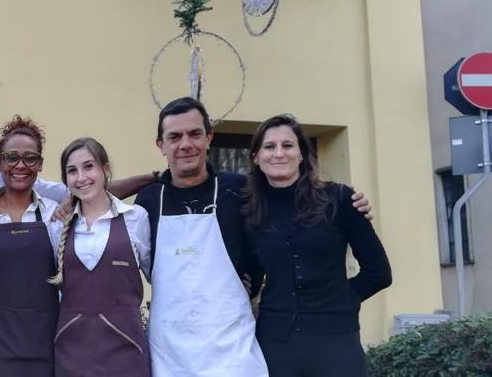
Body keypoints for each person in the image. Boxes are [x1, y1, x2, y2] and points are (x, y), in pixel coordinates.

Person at [136, 97, 372, 376]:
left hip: (232, 346)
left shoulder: (240, 190)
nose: (185, 144)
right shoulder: (148, 200)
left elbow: (290, 207)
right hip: (169, 347)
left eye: (195, 133)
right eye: (174, 137)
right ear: (161, 145)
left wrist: (349, 204)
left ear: (209, 137)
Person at [242, 114, 391, 377]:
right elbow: (252, 278)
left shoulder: (340, 199)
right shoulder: (250, 212)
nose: (278, 153)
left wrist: (342, 300)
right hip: (275, 346)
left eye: (288, 145)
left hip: (336, 342)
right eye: (269, 146)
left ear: (302, 154)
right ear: (256, 157)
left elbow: (379, 272)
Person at [49, 137, 151, 377]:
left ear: (105, 169)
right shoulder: (56, 227)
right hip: (71, 352)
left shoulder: (136, 218)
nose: (81, 177)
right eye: (72, 171)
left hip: (127, 350)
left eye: (88, 166)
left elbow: (159, 277)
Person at [0, 116, 60, 377]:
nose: (20, 165)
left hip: (45, 344)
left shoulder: (56, 216)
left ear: (40, 164)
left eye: (30, 158)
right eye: (11, 157)